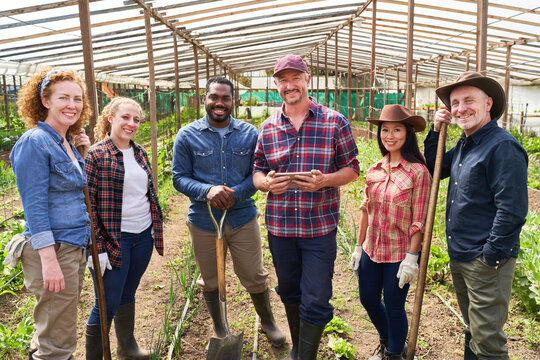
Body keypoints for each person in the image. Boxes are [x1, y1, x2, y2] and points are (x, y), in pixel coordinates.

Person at [253, 54, 360, 360]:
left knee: (316, 298)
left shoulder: (334, 121)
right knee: (289, 292)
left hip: (319, 227)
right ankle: (299, 348)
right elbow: (257, 170)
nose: (290, 85)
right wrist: (266, 183)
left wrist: (325, 180)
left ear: (307, 80)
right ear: (276, 85)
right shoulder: (268, 127)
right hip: (281, 226)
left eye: (295, 78)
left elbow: (352, 168)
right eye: (283, 80)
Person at [172, 76, 285, 349]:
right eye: (214, 97)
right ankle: (220, 326)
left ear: (234, 101)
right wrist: (208, 191)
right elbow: (179, 177)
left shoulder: (249, 133)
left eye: (225, 98)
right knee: (210, 277)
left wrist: (236, 193)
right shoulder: (187, 136)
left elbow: (256, 173)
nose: (219, 103)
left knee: (253, 273)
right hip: (204, 220)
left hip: (243, 216)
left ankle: (268, 320)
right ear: (205, 100)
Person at [425, 71, 528, 360]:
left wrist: (490, 257)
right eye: (455, 103)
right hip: (461, 254)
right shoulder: (465, 144)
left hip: (485, 261)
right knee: (473, 329)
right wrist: (435, 131)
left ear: (488, 104)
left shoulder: (502, 147)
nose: (460, 108)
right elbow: (436, 170)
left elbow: (512, 210)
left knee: (488, 344)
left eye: (469, 100)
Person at [9, 68, 91, 359]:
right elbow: (34, 206)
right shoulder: (35, 142)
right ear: (45, 101)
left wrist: (83, 154)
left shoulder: (65, 141)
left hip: (72, 246)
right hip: (54, 249)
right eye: (64, 98)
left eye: (78, 99)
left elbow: (73, 193)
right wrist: (49, 261)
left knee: (55, 327)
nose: (72, 105)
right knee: (58, 340)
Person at [85, 97, 164, 360]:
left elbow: (148, 193)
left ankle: (127, 348)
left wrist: (153, 227)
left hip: (143, 237)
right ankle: (97, 355)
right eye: (125, 118)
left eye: (136, 119)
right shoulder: (96, 155)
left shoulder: (140, 152)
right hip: (113, 240)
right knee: (106, 302)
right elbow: (87, 207)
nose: (131, 124)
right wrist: (95, 248)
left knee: (128, 292)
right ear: (111, 118)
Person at [349, 104, 431, 360]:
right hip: (373, 249)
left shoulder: (418, 172)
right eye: (385, 130)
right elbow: (366, 210)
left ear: (408, 133)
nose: (390, 135)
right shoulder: (374, 169)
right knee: (368, 300)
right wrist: (358, 246)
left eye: (397, 129)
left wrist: (411, 258)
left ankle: (394, 353)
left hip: (398, 252)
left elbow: (419, 220)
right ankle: (388, 340)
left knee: (395, 306)